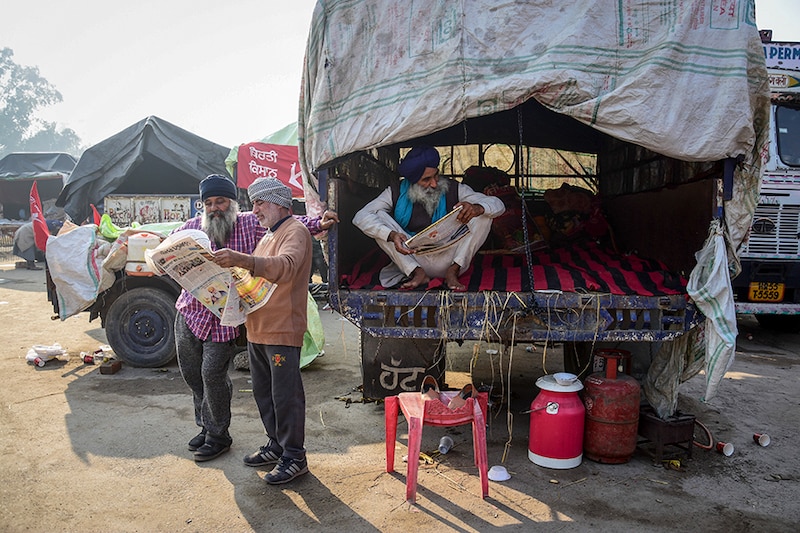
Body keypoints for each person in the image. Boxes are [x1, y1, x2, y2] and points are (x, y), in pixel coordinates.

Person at [173, 174, 336, 463]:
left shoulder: (258, 225)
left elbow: (291, 240)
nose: (214, 208)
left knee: (217, 376)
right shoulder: (197, 229)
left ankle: (228, 437)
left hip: (234, 321)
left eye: (220, 201)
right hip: (200, 313)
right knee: (202, 377)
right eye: (208, 203)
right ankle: (224, 430)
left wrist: (319, 224)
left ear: (233, 203)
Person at [211, 177, 313, 484]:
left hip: (282, 330)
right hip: (258, 330)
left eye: (260, 203)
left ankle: (295, 456)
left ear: (280, 203)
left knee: (285, 396)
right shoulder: (269, 235)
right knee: (264, 394)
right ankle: (276, 444)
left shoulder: (295, 231)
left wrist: (242, 259)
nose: (254, 209)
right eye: (252, 203)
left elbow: (286, 266)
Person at [353, 145, 505, 291]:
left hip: (451, 258)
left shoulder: (453, 188)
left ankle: (453, 272)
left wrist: (476, 208)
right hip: (412, 258)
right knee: (378, 218)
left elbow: (497, 204)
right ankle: (417, 273)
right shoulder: (395, 191)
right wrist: (391, 235)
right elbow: (360, 216)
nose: (434, 183)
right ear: (412, 182)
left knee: (483, 214)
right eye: (426, 180)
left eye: (436, 175)